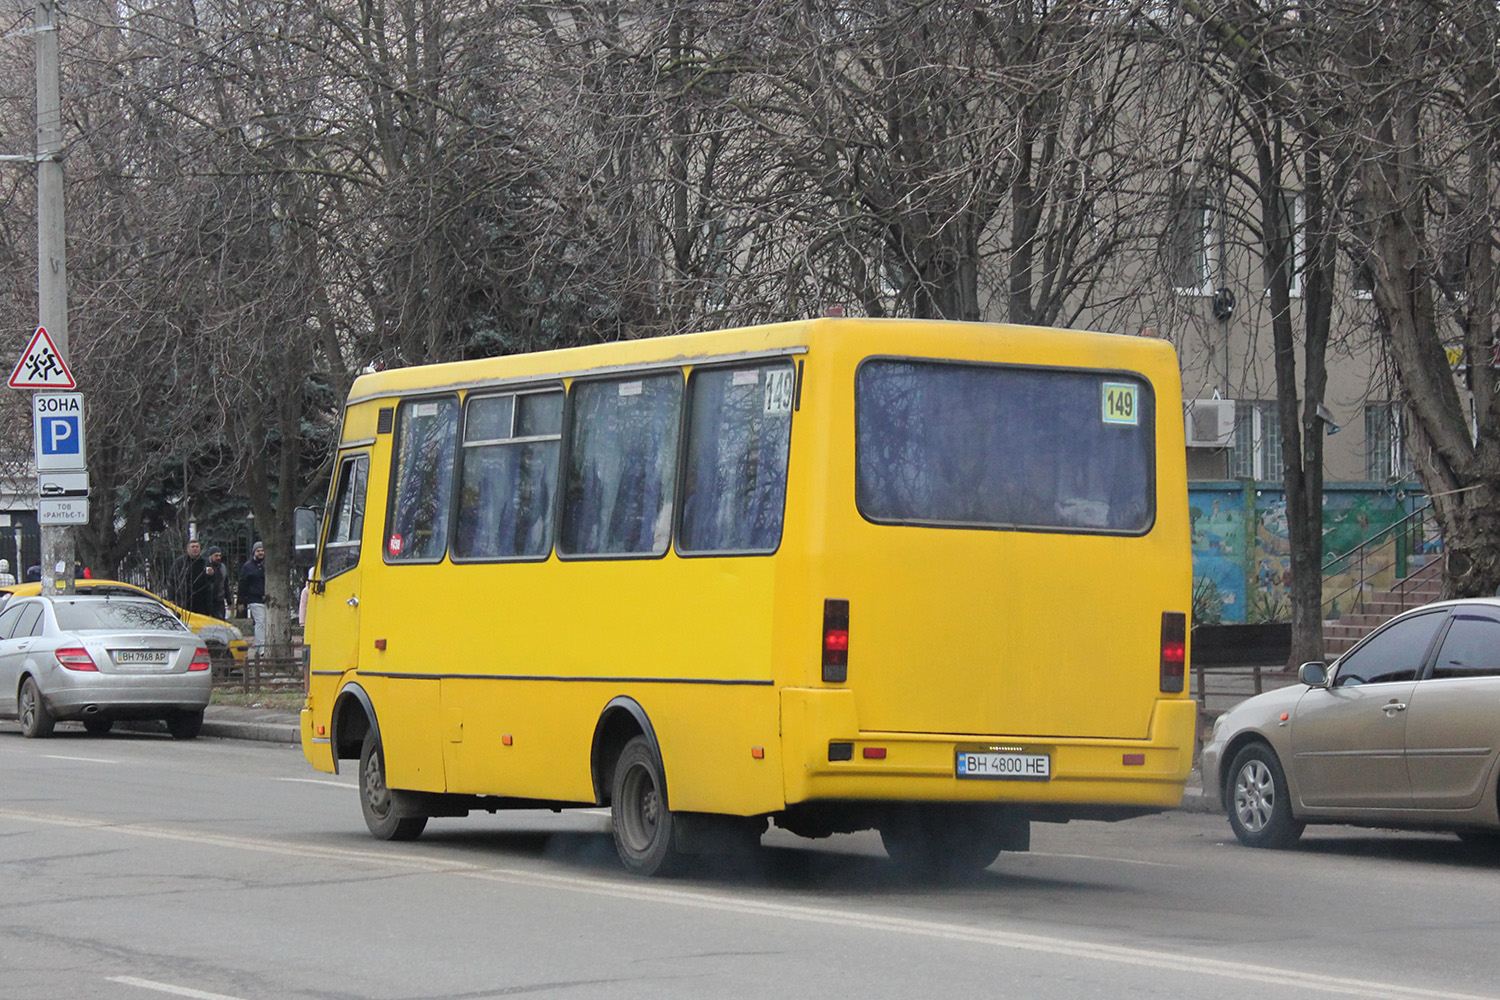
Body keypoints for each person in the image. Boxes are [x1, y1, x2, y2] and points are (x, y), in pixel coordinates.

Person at [168, 539, 215, 615]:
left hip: (202, 602)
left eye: (197, 547)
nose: (195, 549)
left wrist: (211, 575)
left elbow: (211, 581)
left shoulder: (205, 562)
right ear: (188, 549)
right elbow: (172, 580)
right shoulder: (180, 563)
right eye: (193, 547)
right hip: (185, 600)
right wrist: (171, 598)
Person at [238, 540, 268, 653]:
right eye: (258, 551)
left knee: (266, 622)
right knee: (260, 621)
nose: (260, 553)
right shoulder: (248, 567)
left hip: (267, 599)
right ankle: (261, 646)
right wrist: (241, 601)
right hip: (254, 599)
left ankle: (262, 644)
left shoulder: (267, 564)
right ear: (254, 552)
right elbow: (242, 584)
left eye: (262, 550)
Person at [203, 546, 232, 618]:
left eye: (219, 555)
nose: (218, 558)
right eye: (216, 556)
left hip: (219, 600)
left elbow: (226, 584)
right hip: (207, 600)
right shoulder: (204, 566)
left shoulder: (223, 567)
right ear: (210, 556)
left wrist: (229, 601)